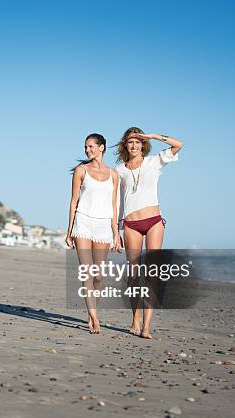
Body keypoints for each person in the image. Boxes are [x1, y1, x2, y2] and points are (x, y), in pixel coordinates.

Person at [115, 127, 183, 339]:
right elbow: (117, 202)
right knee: (134, 275)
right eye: (130, 142)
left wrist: (153, 136)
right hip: (131, 225)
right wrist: (116, 230)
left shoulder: (155, 161)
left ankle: (146, 326)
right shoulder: (119, 170)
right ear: (125, 145)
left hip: (154, 221)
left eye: (138, 141)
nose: (134, 145)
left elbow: (178, 144)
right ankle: (135, 319)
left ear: (143, 144)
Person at [66, 133, 122, 334]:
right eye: (85, 147)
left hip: (103, 226)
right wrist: (69, 229)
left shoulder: (114, 174)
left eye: (91, 146)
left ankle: (92, 311)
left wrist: (116, 234)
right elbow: (74, 201)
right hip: (83, 222)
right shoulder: (81, 170)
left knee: (98, 276)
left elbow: (114, 207)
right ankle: (95, 318)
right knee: (87, 272)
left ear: (102, 147)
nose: (87, 150)